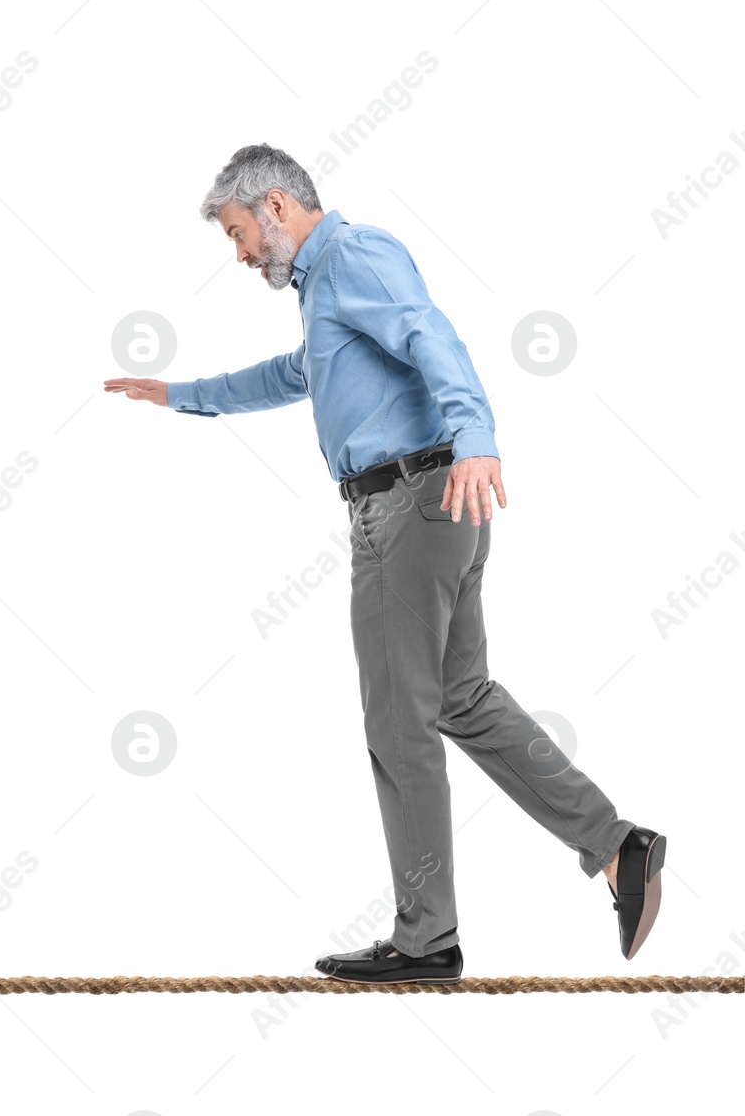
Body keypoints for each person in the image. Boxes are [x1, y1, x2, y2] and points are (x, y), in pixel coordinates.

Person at [104, 143, 665, 984]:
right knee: (462, 699)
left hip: (409, 506)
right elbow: (303, 371)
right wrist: (184, 394)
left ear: (277, 206)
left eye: (238, 232)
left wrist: (477, 435)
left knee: (399, 722)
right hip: (431, 505)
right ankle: (618, 844)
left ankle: (425, 936)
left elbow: (429, 335)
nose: (240, 253)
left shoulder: (354, 254)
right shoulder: (324, 287)